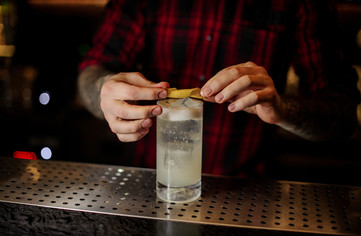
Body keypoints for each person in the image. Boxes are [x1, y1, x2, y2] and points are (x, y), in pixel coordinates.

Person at [77, 0, 360, 177]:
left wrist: (282, 110)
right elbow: (92, 72)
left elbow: (342, 116)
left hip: (250, 193)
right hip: (150, 183)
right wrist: (103, 88)